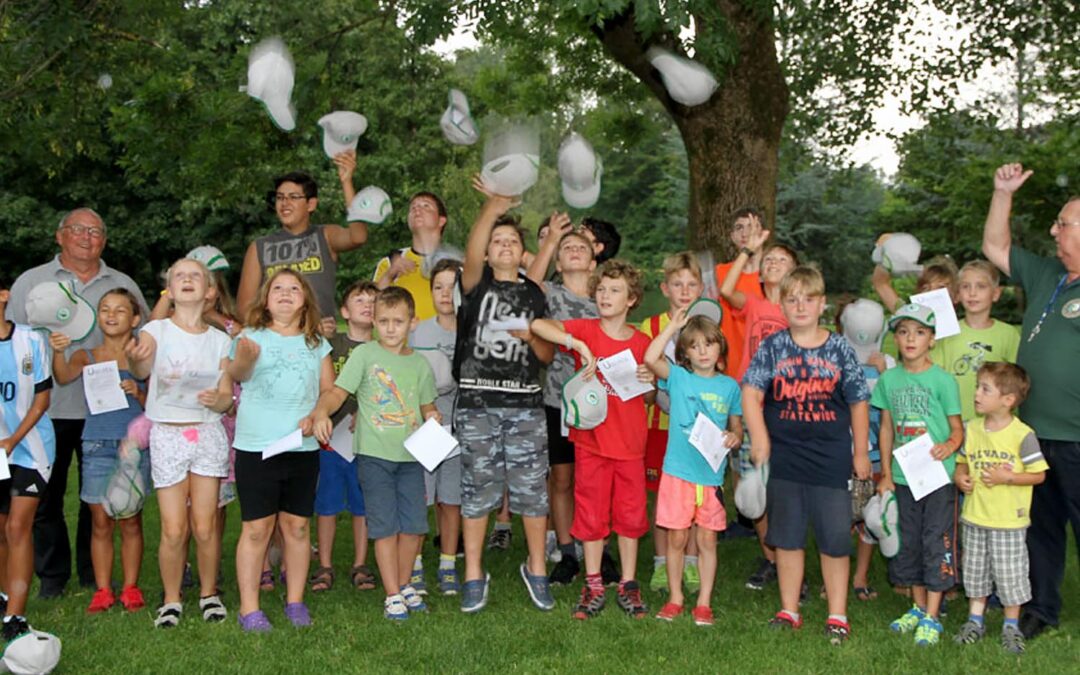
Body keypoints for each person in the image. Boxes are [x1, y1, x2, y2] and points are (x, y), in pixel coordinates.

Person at [6, 207, 149, 598]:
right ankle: (52, 575)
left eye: (96, 232)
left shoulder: (122, 283)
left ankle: (92, 575)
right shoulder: (31, 283)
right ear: (60, 235)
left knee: (97, 497)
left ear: (105, 240)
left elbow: (148, 345)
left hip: (107, 417)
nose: (87, 237)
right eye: (78, 230)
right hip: (46, 409)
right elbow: (11, 339)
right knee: (46, 497)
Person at [742, 266, 870, 645]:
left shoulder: (840, 348)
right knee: (787, 536)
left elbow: (859, 402)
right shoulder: (773, 347)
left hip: (830, 458)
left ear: (822, 305)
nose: (800, 305)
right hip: (784, 457)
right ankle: (789, 609)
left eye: (808, 298)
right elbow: (750, 393)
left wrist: (860, 452)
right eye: (792, 298)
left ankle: (837, 614)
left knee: (834, 538)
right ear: (782, 304)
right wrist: (760, 438)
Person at [980, 163, 1080, 640]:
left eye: (1063, 223)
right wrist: (1003, 194)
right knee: (1040, 530)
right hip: (1035, 434)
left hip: (1079, 436)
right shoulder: (1047, 273)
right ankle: (1042, 609)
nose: (1054, 229)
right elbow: (994, 247)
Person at [531, 259, 655, 621]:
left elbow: (649, 397)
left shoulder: (642, 341)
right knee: (591, 514)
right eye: (600, 289)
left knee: (631, 517)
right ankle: (593, 582)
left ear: (631, 299)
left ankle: (629, 584)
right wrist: (576, 344)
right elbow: (537, 324)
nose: (605, 295)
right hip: (591, 444)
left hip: (631, 445)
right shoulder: (586, 328)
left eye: (614, 290)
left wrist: (649, 379)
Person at [453, 178, 554, 614]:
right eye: (497, 241)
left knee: (532, 492)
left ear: (522, 250)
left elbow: (548, 353)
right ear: (488, 253)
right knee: (478, 490)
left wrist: (530, 335)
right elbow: (472, 252)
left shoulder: (535, 294)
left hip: (526, 407)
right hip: (476, 405)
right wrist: (491, 210)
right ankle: (474, 572)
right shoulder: (475, 287)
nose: (504, 245)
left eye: (512, 240)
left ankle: (536, 568)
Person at [313, 287, 439, 622]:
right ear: (375, 322)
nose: (391, 328)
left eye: (398, 321)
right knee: (384, 526)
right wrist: (323, 412)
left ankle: (402, 582)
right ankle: (393, 594)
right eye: (383, 321)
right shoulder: (365, 355)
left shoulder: (420, 364)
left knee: (414, 526)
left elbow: (427, 404)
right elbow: (337, 392)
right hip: (373, 457)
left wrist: (433, 416)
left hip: (412, 457)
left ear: (413, 323)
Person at [126, 258, 234, 628]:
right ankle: (172, 599)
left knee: (205, 526)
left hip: (207, 434)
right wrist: (135, 360)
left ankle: (209, 594)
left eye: (195, 276)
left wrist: (217, 401)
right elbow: (141, 370)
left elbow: (226, 397)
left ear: (209, 291)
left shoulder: (221, 340)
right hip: (169, 434)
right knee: (174, 529)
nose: (187, 280)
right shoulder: (156, 330)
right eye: (179, 276)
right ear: (169, 291)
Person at [227, 270, 333, 631]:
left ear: (305, 300)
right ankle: (249, 609)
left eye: (294, 288)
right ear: (265, 298)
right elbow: (238, 374)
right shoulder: (249, 337)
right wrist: (244, 356)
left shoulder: (316, 343)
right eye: (278, 288)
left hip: (301, 449)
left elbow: (329, 392)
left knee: (298, 527)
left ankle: (296, 602)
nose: (285, 294)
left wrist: (318, 413)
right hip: (257, 447)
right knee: (257, 529)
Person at [49, 289, 150, 614]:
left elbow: (157, 406)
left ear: (135, 319)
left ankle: (131, 587)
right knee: (100, 520)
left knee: (131, 519)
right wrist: (57, 352)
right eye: (105, 309)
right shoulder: (87, 355)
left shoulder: (144, 359)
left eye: (120, 310)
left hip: (133, 447)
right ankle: (104, 590)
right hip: (95, 444)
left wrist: (138, 392)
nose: (111, 315)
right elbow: (63, 377)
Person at [872, 303, 964, 646]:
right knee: (908, 541)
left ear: (932, 340)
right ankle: (917, 605)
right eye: (904, 332)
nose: (911, 339)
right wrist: (884, 473)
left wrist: (950, 446)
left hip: (937, 478)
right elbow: (884, 429)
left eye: (920, 332)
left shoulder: (942, 381)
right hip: (902, 475)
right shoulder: (888, 379)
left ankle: (933, 615)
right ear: (895, 338)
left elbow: (957, 429)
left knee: (934, 540)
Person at [645, 309, 742, 627]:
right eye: (695, 345)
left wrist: (733, 437)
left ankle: (703, 603)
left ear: (720, 349)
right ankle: (675, 598)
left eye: (710, 344)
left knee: (707, 542)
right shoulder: (678, 377)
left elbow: (737, 430)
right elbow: (650, 357)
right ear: (684, 352)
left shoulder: (730, 387)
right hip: (677, 473)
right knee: (675, 539)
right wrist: (672, 326)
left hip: (710, 478)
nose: (703, 351)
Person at [719, 229, 799, 591]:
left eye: (783, 260)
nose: (774, 264)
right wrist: (747, 252)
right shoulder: (753, 303)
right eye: (769, 261)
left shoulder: (798, 311)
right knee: (755, 491)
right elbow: (725, 290)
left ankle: (790, 561)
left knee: (784, 489)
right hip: (752, 407)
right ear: (761, 273)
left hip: (786, 411)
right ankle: (771, 560)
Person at [953, 362, 1048, 654]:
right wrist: (960, 478)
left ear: (1008, 400)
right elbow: (961, 461)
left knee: (1009, 575)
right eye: (977, 386)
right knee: (974, 572)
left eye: (985, 389)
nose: (977, 394)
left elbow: (1039, 474)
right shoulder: (971, 428)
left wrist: (1008, 477)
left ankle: (1011, 626)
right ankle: (975, 620)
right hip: (974, 517)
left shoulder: (1022, 435)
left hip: (1008, 522)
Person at [525, 215, 598, 585]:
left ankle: (598, 545)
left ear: (593, 261)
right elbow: (528, 286)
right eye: (566, 248)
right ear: (557, 261)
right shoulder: (551, 294)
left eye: (580, 247)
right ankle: (567, 550)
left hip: (600, 406)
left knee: (596, 479)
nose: (573, 251)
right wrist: (551, 240)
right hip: (557, 401)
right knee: (562, 478)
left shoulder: (606, 296)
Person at [236, 167, 369, 334]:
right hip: (276, 346)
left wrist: (346, 181)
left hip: (320, 344)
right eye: (280, 198)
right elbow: (244, 311)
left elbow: (359, 237)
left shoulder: (325, 236)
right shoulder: (259, 247)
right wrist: (293, 330)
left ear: (311, 204)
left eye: (293, 197)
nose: (284, 203)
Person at [639, 252, 704, 594]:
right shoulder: (650, 327)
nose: (684, 290)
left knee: (696, 494)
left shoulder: (708, 326)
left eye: (692, 284)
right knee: (661, 496)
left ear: (702, 288)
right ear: (665, 288)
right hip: (658, 426)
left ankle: (691, 561)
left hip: (698, 429)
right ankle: (663, 562)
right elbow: (643, 376)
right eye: (677, 284)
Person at [310, 281, 377, 595]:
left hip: (367, 439)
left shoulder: (382, 347)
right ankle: (324, 564)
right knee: (327, 503)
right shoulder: (329, 344)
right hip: (329, 439)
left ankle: (360, 563)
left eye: (374, 300)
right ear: (345, 311)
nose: (367, 305)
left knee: (363, 503)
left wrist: (364, 411)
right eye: (359, 299)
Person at [0, 275, 55, 641]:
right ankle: (5, 597)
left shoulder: (31, 339)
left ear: (4, 296)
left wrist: (11, 440)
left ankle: (16, 617)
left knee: (18, 526)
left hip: (30, 447)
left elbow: (41, 399)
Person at [410, 259, 464, 595]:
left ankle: (448, 564)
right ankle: (414, 565)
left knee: (452, 498)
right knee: (422, 498)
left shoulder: (470, 331)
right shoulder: (417, 331)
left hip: (459, 428)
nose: (445, 293)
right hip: (424, 428)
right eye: (438, 286)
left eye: (452, 286)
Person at [931, 260, 1020, 422]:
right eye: (965, 286)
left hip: (993, 423)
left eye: (981, 286)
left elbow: (1015, 382)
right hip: (952, 422)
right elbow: (934, 377)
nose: (972, 293)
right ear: (957, 294)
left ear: (995, 294)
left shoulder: (1008, 334)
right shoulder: (946, 332)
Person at [372, 191, 456, 321]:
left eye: (426, 206)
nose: (417, 209)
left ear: (441, 221)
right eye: (413, 207)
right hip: (403, 341)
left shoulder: (456, 263)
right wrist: (390, 274)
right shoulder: (389, 264)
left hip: (447, 340)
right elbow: (372, 307)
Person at [714, 207, 766, 381]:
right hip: (726, 368)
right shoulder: (719, 273)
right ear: (732, 236)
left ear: (762, 232)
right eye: (739, 228)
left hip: (762, 370)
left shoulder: (773, 276)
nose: (745, 233)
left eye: (751, 226)